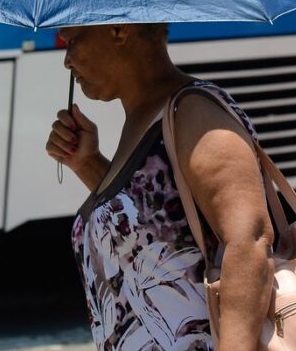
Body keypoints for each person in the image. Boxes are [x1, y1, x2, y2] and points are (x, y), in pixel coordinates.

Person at [46, 23, 273, 349]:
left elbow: (249, 242)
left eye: (72, 41)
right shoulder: (143, 117)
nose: (67, 60)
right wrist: (87, 162)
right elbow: (148, 227)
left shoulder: (194, 113)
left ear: (119, 30)